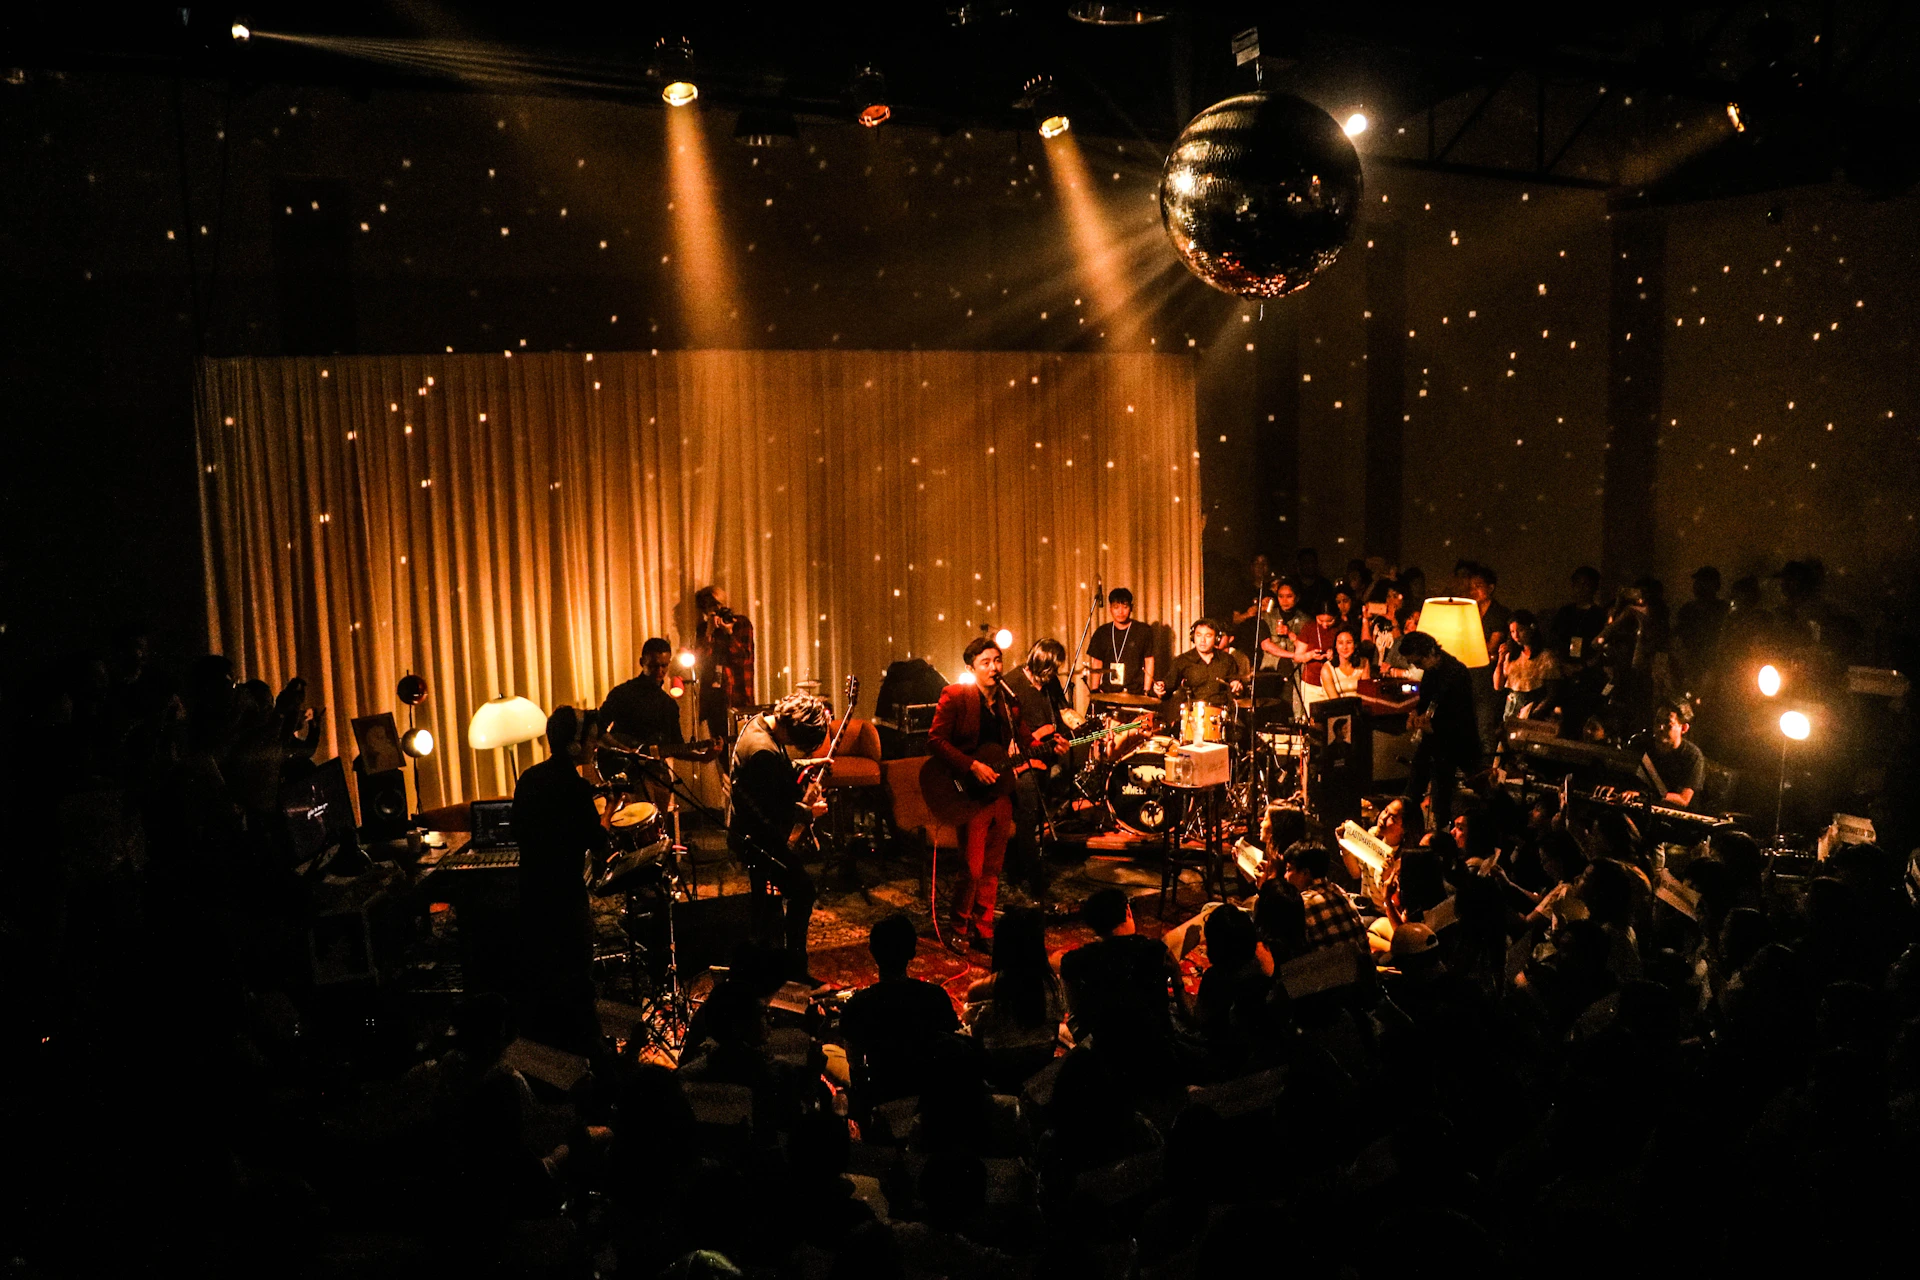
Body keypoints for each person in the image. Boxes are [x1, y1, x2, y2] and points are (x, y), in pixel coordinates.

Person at [928, 636, 1063, 947]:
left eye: (997, 660)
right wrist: (971, 765)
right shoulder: (955, 696)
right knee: (972, 868)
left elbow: (1028, 741)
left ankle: (984, 926)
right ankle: (958, 926)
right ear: (970, 668)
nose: (994, 667)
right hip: (967, 791)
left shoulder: (1008, 701)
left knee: (992, 866)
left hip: (1000, 789)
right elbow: (935, 741)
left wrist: (1052, 746)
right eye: (986, 662)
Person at [511, 705, 611, 1055]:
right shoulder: (576, 786)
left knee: (542, 974)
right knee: (576, 976)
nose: (594, 746)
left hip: (531, 895)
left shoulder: (529, 777)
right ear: (573, 745)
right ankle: (585, 1050)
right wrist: (610, 809)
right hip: (566, 899)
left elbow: (518, 830)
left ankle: (545, 1050)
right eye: (591, 741)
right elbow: (597, 841)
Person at [728, 691, 833, 979]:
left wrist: (810, 764)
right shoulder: (763, 751)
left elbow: (777, 774)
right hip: (758, 840)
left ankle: (772, 964)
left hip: (751, 831)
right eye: (799, 743)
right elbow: (775, 809)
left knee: (770, 908)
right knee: (802, 891)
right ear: (790, 729)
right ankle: (793, 969)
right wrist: (810, 812)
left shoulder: (760, 722)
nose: (798, 748)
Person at [840, 914, 962, 1110]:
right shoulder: (936, 996)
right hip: (932, 1095)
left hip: (885, 1096)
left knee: (830, 1052)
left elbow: (856, 1068)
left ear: (871, 951)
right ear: (913, 952)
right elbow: (951, 1043)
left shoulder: (857, 1005)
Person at [1059, 888, 1187, 1048]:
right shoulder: (1156, 950)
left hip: (1108, 1054)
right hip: (1157, 1052)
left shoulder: (1074, 962)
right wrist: (1176, 975)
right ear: (1128, 911)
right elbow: (1186, 1013)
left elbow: (1076, 1020)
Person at [1002, 638, 1073, 907]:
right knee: (1027, 820)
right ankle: (1036, 884)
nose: (1052, 677)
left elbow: (1060, 716)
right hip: (1021, 763)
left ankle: (1020, 869)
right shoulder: (1011, 685)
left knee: (1038, 816)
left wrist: (1070, 734)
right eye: (1049, 671)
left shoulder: (1050, 684)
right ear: (1037, 663)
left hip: (1044, 758)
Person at [962, 907, 1066, 1074]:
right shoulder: (1054, 985)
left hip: (995, 1072)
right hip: (1039, 1067)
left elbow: (976, 1036)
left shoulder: (982, 989)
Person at [1397, 632, 1480, 834]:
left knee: (1442, 796)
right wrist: (1415, 715)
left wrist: (1433, 726)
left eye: (1418, 661)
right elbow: (1425, 702)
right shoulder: (1431, 672)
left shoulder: (1457, 673)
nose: (1416, 667)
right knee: (1413, 787)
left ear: (1430, 652)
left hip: (1454, 744)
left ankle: (1441, 837)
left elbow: (1462, 717)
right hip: (1433, 740)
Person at [694, 585, 755, 743]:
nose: (717, 609)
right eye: (711, 606)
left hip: (739, 696)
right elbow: (698, 660)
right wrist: (709, 633)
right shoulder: (704, 629)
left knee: (742, 744)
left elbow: (744, 658)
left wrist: (729, 632)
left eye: (719, 604)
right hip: (714, 699)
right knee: (720, 745)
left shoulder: (740, 623)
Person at [600, 637, 685, 749]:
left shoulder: (668, 704)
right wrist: (622, 748)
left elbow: (677, 746)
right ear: (642, 662)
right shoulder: (622, 694)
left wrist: (702, 756)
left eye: (664, 666)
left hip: (651, 765)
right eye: (654, 666)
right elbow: (598, 728)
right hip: (621, 763)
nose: (660, 671)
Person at [1156, 618, 1249, 708]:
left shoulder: (1227, 660)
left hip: (1221, 714)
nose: (1202, 640)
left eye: (1208, 636)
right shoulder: (1182, 661)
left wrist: (1237, 687)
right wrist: (1160, 689)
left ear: (1216, 639)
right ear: (1193, 637)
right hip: (1192, 715)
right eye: (1199, 635)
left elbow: (1236, 686)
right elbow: (1167, 689)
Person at [1494, 610, 1561, 720]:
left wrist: (1536, 712)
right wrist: (1500, 660)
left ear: (1531, 629)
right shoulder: (1512, 656)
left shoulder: (1545, 657)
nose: (1516, 636)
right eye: (1512, 632)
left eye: (1520, 630)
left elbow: (1552, 693)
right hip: (1512, 707)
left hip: (1533, 707)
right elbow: (1498, 686)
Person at [1088, 587, 1154, 696]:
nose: (1120, 611)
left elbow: (1149, 661)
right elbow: (1097, 662)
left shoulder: (1143, 631)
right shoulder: (1102, 632)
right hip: (1108, 692)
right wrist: (1094, 691)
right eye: (1116, 607)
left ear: (1131, 608)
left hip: (1135, 692)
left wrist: (1146, 691)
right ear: (1110, 608)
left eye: (1125, 607)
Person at [1646, 699, 1706, 810]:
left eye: (1668, 723)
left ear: (1683, 728)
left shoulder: (1692, 756)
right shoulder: (1643, 745)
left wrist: (1644, 796)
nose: (1660, 728)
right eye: (1658, 721)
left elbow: (1683, 800)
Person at [1319, 625, 1371, 700]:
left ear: (1355, 645)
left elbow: (1366, 694)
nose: (1344, 647)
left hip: (1359, 708)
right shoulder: (1327, 668)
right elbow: (1334, 700)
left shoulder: (1364, 663)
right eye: (1340, 643)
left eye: (1349, 643)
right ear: (1335, 646)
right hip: (1337, 708)